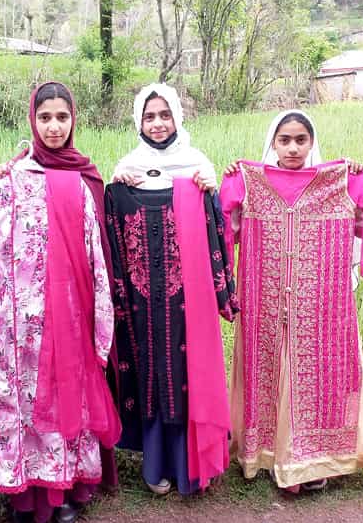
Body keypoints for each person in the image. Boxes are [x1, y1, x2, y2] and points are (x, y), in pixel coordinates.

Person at [0, 82, 121, 523]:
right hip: (17, 322)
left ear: (75, 120)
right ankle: (24, 494)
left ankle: (63, 488)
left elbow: (97, 255)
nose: (54, 127)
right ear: (31, 122)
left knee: (65, 396)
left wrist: (96, 322)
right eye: (45, 118)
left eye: (62, 117)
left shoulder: (83, 177)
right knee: (20, 401)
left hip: (68, 314)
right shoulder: (10, 177)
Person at [220, 109, 363, 494]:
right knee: (266, 368)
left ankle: (314, 459)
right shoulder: (250, 182)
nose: (293, 148)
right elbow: (222, 223)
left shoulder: (339, 181)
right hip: (264, 298)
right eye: (285, 140)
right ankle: (266, 454)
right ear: (273, 143)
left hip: (320, 304)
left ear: (312, 142)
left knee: (317, 373)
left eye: (301, 140)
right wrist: (230, 179)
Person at [106, 83, 238, 496]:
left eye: (165, 115)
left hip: (187, 300)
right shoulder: (128, 168)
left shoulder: (196, 165)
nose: (158, 123)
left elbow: (220, 232)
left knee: (186, 373)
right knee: (150, 372)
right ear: (138, 122)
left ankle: (190, 466)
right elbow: (110, 231)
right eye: (149, 116)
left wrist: (211, 193)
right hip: (142, 303)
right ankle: (154, 464)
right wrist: (116, 183)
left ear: (178, 117)